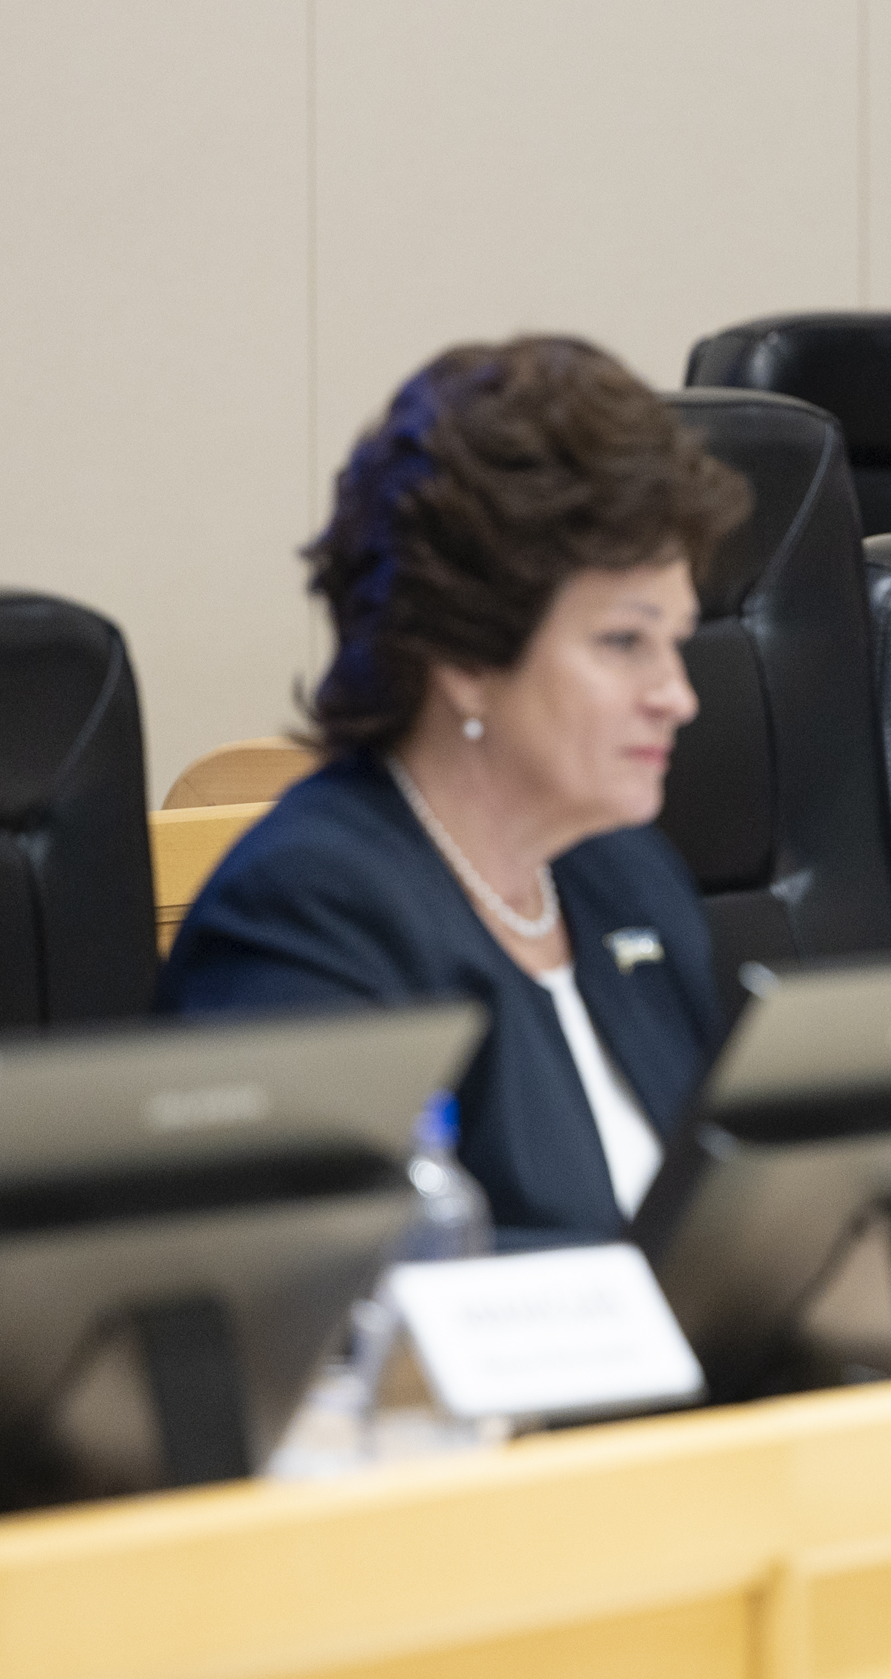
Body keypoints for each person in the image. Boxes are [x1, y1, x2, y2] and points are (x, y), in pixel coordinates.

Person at [159, 337, 748, 1244]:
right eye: (625, 642)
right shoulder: (305, 915)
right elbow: (326, 1284)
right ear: (466, 657)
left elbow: (721, 1217)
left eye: (676, 641)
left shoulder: (629, 876)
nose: (679, 696)